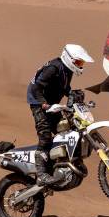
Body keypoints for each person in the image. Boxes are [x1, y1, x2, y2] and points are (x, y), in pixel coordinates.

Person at [26, 44, 93, 186]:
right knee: (45, 136)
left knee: (64, 130)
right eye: (78, 62)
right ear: (69, 58)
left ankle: (59, 163)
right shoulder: (53, 68)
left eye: (81, 63)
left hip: (51, 104)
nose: (80, 65)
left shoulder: (67, 70)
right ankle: (42, 174)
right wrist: (44, 104)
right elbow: (37, 86)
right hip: (38, 102)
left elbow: (63, 86)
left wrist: (72, 94)